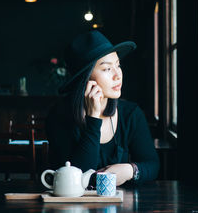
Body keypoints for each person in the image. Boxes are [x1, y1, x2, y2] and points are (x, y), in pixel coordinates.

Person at [46, 30, 159, 186]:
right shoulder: (59, 116)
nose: (117, 75)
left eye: (118, 65)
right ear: (85, 77)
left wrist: (129, 170)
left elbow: (153, 165)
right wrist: (93, 118)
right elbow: (77, 179)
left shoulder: (131, 114)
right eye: (107, 69)